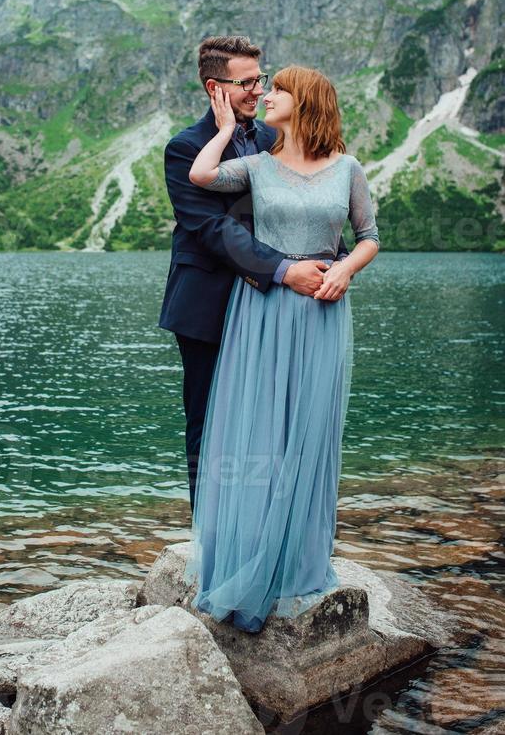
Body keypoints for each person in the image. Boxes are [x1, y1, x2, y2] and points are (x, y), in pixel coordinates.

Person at [182, 64, 380, 633]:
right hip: (263, 312)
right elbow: (200, 175)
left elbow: (369, 237)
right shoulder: (256, 166)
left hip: (323, 308)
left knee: (310, 430)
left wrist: (343, 271)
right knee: (261, 427)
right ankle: (246, 553)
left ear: (306, 101)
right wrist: (222, 125)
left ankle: (297, 560)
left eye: (278, 90)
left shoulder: (348, 168)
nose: (266, 96)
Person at [158, 36, 351, 511]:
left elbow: (307, 203)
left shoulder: (271, 137)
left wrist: (334, 265)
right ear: (214, 87)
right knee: (210, 423)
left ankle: (268, 525)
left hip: (273, 306)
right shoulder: (185, 148)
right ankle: (211, 537)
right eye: (246, 82)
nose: (257, 90)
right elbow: (212, 228)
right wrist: (286, 270)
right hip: (208, 305)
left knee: (273, 417)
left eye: (260, 79)